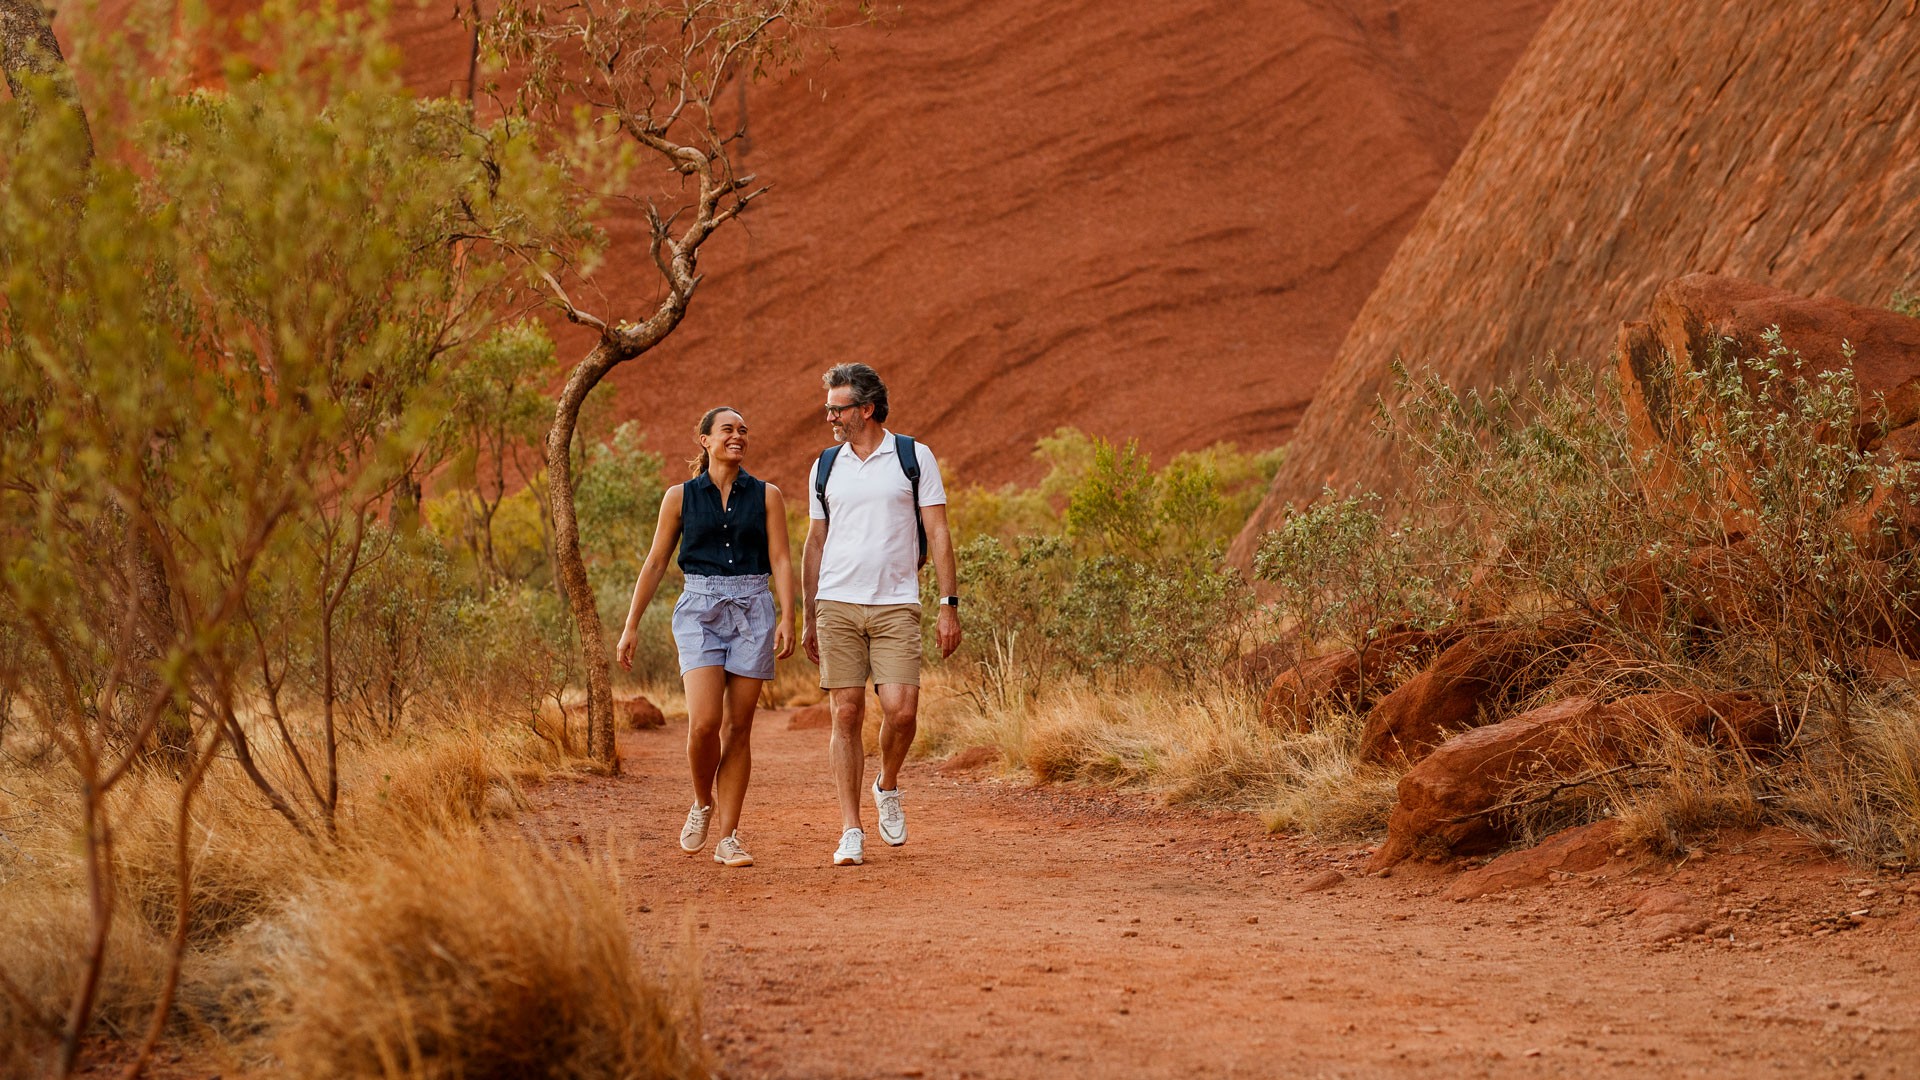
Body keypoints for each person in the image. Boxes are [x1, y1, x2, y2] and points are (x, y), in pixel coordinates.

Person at [617, 406, 794, 867]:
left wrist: (789, 615)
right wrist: (631, 624)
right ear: (704, 440)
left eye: (743, 431)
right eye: (727, 430)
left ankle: (729, 837)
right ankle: (701, 802)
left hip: (754, 607)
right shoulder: (679, 497)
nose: (738, 436)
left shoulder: (768, 495)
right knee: (703, 724)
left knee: (739, 729)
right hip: (698, 609)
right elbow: (656, 562)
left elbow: (781, 558)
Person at [802, 363, 962, 867]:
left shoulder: (913, 457)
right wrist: (808, 613)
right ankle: (851, 829)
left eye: (837, 408)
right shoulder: (825, 465)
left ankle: (886, 785)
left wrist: (948, 605)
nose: (829, 415)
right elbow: (815, 540)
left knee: (902, 711)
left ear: (865, 409)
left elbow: (937, 532)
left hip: (896, 602)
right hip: (838, 603)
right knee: (845, 713)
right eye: (828, 406)